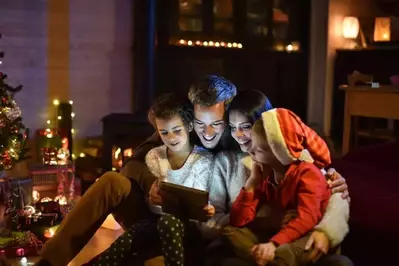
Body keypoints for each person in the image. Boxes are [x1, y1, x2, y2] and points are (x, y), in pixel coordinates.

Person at [35, 75, 349, 266]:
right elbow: (135, 160)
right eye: (200, 122)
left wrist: (332, 179)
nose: (207, 132)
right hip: (156, 212)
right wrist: (153, 182)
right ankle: (50, 262)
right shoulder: (184, 126)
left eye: (215, 122)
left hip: (201, 232)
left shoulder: (247, 135)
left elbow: (303, 160)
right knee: (112, 181)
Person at [208, 90, 351, 266]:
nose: (238, 135)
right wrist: (254, 192)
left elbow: (328, 205)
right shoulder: (231, 163)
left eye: (246, 127)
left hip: (297, 237)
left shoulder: (302, 164)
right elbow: (222, 220)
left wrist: (325, 233)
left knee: (339, 263)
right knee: (223, 246)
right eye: (232, 127)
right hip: (260, 236)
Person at [84, 93, 215, 266]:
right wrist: (155, 199)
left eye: (177, 131)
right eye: (164, 133)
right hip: (157, 220)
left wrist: (209, 209)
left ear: (189, 126)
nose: (171, 139)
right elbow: (154, 202)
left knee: (167, 224)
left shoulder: (203, 159)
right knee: (126, 242)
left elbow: (212, 200)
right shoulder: (157, 156)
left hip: (189, 227)